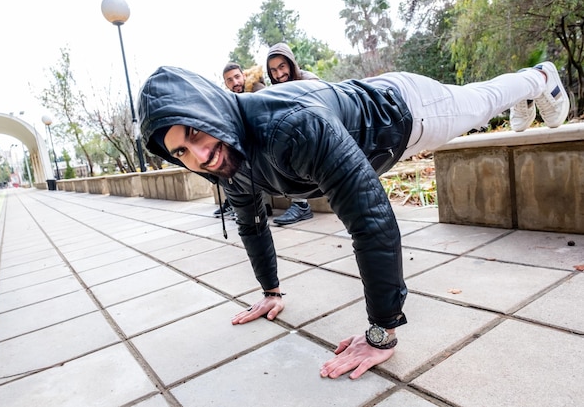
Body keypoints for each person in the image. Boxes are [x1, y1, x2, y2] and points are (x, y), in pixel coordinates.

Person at [138, 61, 569, 380]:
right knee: (484, 98)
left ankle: (539, 78)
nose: (198, 156)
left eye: (194, 133)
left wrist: (382, 332)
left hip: (407, 111)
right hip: (360, 122)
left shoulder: (292, 128)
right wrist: (270, 291)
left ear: (210, 111)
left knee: (482, 99)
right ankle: (528, 93)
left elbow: (372, 222)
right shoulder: (225, 158)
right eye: (180, 152)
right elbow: (251, 224)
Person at [264, 42, 320, 225]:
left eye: (282, 67)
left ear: (290, 63)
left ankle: (301, 205)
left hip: (318, 138)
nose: (279, 75)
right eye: (273, 70)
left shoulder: (309, 81)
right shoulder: (275, 90)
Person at [213, 62, 269, 219]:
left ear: (244, 76)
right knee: (222, 158)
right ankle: (232, 202)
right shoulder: (229, 99)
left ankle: (264, 207)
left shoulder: (257, 90)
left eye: (237, 77)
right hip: (245, 143)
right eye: (229, 80)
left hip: (262, 142)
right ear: (225, 83)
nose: (235, 82)